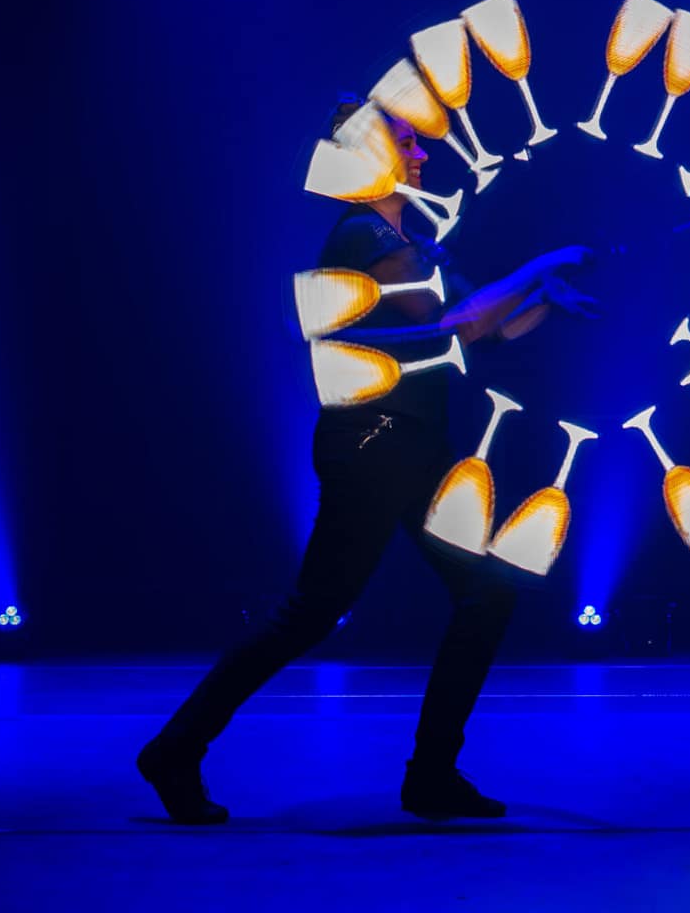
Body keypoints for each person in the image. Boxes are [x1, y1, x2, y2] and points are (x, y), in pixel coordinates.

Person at [137, 97, 596, 824]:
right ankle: (175, 749)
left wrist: (541, 295)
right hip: (374, 443)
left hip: (411, 442)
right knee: (313, 613)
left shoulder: (410, 240)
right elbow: (457, 322)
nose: (422, 155)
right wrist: (541, 264)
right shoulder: (364, 233)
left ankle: (431, 776)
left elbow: (486, 331)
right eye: (407, 144)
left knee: (483, 594)